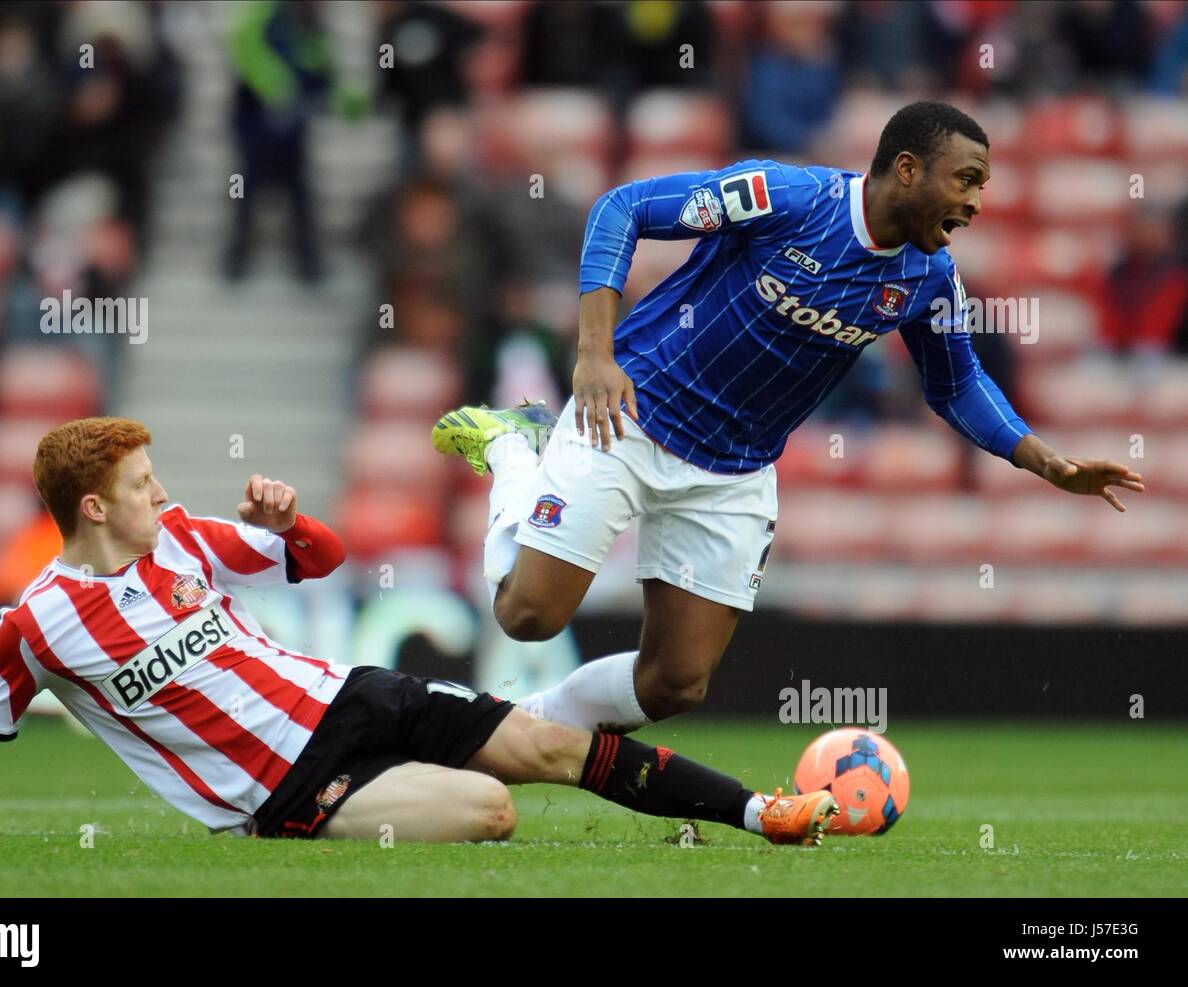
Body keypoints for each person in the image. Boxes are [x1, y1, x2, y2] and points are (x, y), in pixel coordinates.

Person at [432, 101, 1145, 735]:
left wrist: (1043, 459)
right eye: (966, 180)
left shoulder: (929, 279)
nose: (977, 202)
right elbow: (622, 208)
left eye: (983, 187)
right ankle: (515, 449)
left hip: (734, 469)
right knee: (528, 617)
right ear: (906, 169)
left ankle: (520, 731)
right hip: (631, 416)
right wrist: (594, 355)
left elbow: (955, 386)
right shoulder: (784, 197)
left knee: (676, 681)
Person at [0, 417, 837, 847]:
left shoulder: (181, 538)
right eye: (144, 483)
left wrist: (288, 521)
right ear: (94, 506)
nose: (164, 492)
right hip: (286, 784)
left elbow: (325, 557)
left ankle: (763, 813)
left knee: (548, 743)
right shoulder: (38, 625)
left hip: (348, 690)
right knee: (491, 811)